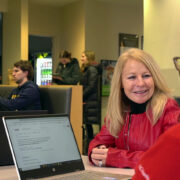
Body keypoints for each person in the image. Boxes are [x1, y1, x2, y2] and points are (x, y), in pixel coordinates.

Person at [88, 48, 180, 168]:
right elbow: (98, 142)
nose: (141, 83)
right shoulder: (118, 110)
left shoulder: (168, 108)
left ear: (155, 79)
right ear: (120, 82)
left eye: (146, 76)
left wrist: (116, 158)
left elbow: (171, 157)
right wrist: (96, 152)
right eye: (132, 77)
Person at [80, 50, 101, 140]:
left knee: (89, 124)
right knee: (88, 124)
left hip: (90, 100)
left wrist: (81, 95)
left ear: (88, 57)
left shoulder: (91, 70)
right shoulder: (87, 69)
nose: (81, 59)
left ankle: (89, 143)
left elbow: (91, 86)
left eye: (83, 56)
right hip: (88, 100)